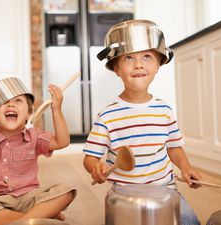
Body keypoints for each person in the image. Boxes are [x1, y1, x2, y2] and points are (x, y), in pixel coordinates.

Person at [83, 20, 202, 225]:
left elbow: (174, 148)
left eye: (147, 57)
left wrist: (185, 167)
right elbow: (90, 157)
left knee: (189, 221)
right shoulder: (108, 115)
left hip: (165, 191)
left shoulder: (164, 110)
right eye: (129, 58)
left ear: (158, 64)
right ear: (116, 68)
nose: (138, 64)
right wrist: (96, 168)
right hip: (125, 195)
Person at [0, 77, 76, 225]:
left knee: (66, 192)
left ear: (28, 115)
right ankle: (36, 217)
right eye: (4, 102)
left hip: (29, 197)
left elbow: (62, 142)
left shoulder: (34, 136)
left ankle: (22, 220)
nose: (11, 104)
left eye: (18, 101)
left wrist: (56, 110)